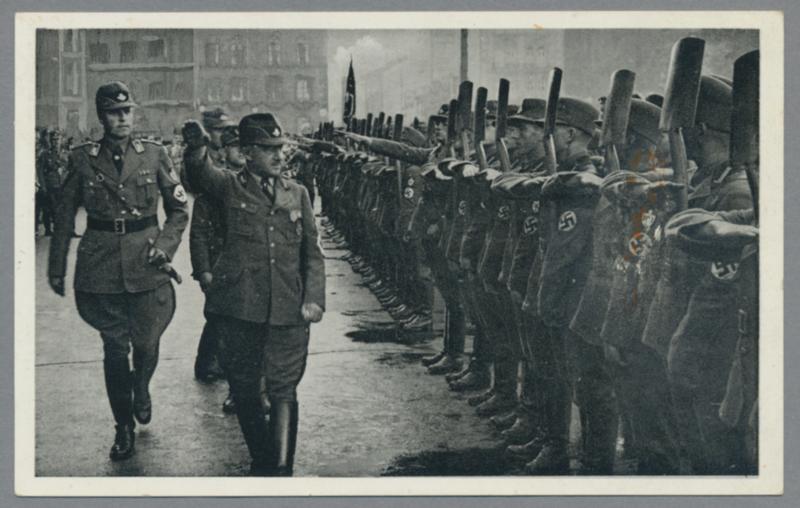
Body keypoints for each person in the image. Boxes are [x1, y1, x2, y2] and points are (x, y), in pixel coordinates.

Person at [47, 81, 189, 461]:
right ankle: (123, 425)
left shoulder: (155, 154)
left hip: (146, 262)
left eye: (127, 111)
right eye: (114, 112)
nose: (123, 118)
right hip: (102, 267)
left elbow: (178, 211)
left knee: (146, 344)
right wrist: (57, 265)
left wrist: (164, 247)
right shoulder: (82, 159)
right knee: (114, 348)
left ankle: (141, 386)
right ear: (102, 117)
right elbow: (64, 214)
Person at [182, 113, 326, 476]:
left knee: (283, 388)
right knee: (246, 391)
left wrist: (313, 297)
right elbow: (201, 174)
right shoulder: (230, 187)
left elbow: (312, 253)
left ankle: (280, 472)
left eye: (280, 147)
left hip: (288, 310)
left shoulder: (298, 193)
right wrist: (197, 146)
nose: (278, 155)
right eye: (267, 149)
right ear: (247, 153)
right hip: (241, 310)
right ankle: (264, 462)